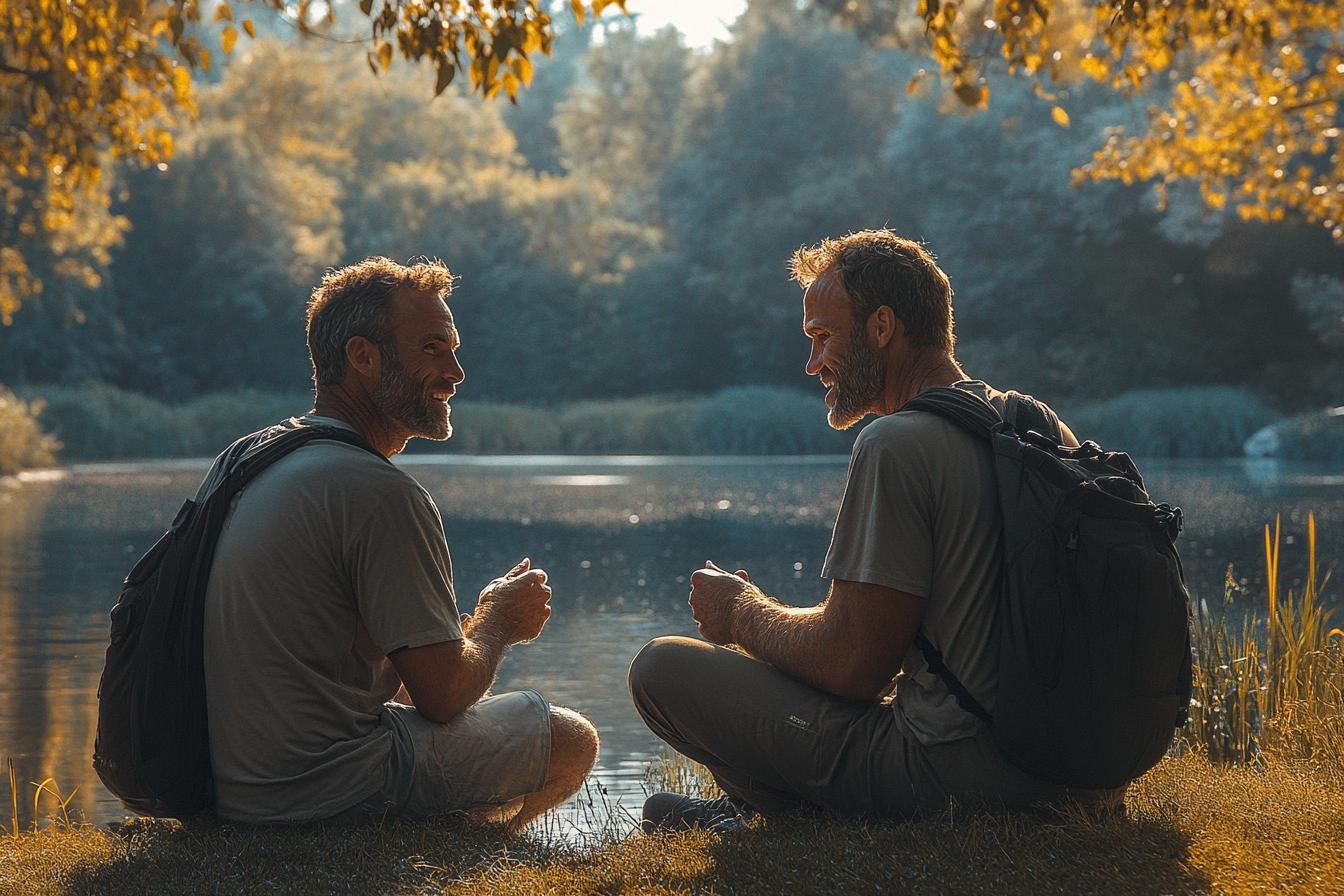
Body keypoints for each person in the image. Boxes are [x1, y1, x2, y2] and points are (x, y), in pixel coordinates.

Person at [629, 230, 1117, 833]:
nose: (812, 364)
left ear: (883, 327)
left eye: (823, 337)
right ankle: (763, 813)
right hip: (1079, 773)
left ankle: (793, 817)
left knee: (660, 670)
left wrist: (742, 614)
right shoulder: (1036, 425)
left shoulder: (895, 444)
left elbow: (854, 667)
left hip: (960, 777)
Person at [202, 256, 598, 829]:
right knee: (569, 739)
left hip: (231, 789)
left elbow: (415, 679)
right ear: (362, 357)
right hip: (319, 790)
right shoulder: (380, 493)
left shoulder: (254, 459)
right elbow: (443, 696)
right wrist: (497, 623)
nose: (456, 372)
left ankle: (439, 830)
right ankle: (470, 842)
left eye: (454, 349)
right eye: (432, 349)